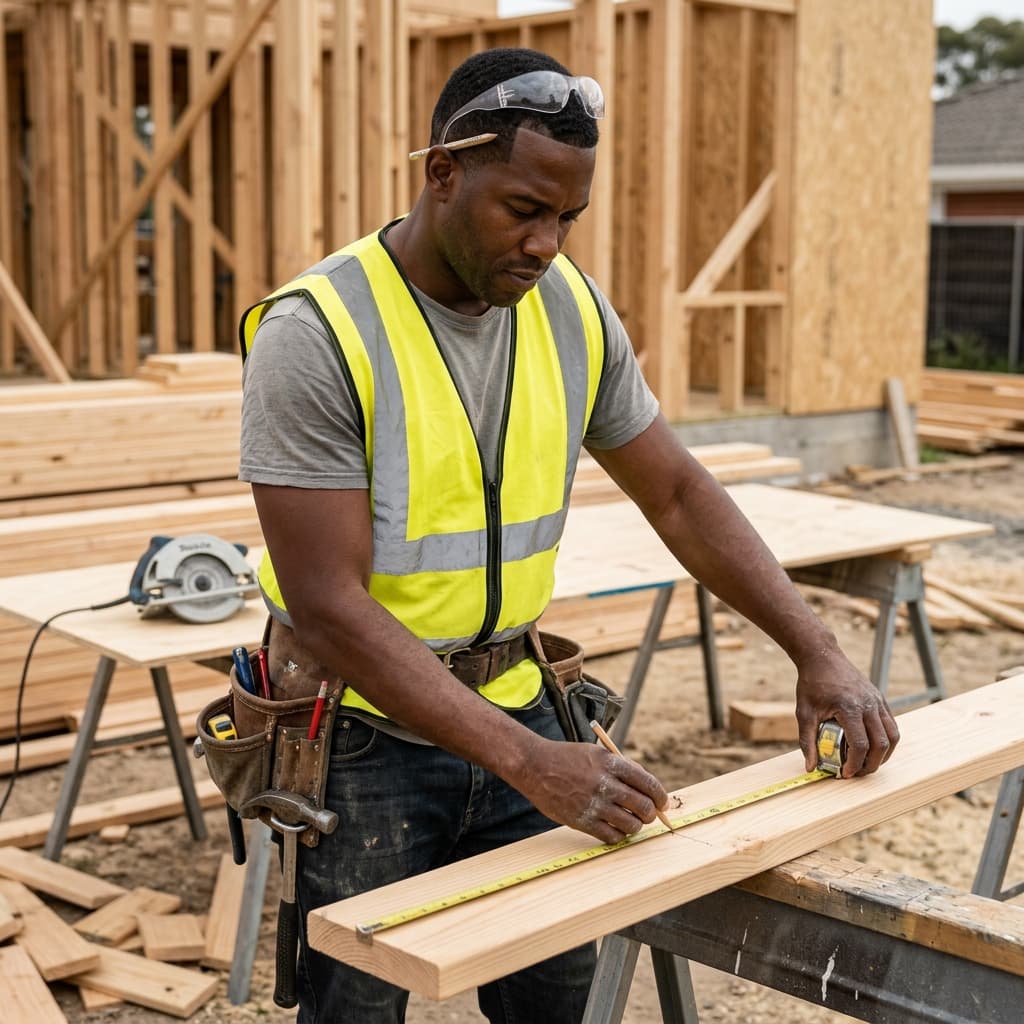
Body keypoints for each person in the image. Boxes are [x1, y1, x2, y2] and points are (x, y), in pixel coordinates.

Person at [238, 46, 899, 1024]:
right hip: (365, 740)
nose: (547, 243)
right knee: (357, 1005)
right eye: (523, 210)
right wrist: (530, 762)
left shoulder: (568, 310)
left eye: (566, 218)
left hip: (520, 700)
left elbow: (674, 489)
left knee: (556, 1000)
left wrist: (819, 650)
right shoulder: (320, 329)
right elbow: (328, 608)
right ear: (443, 173)